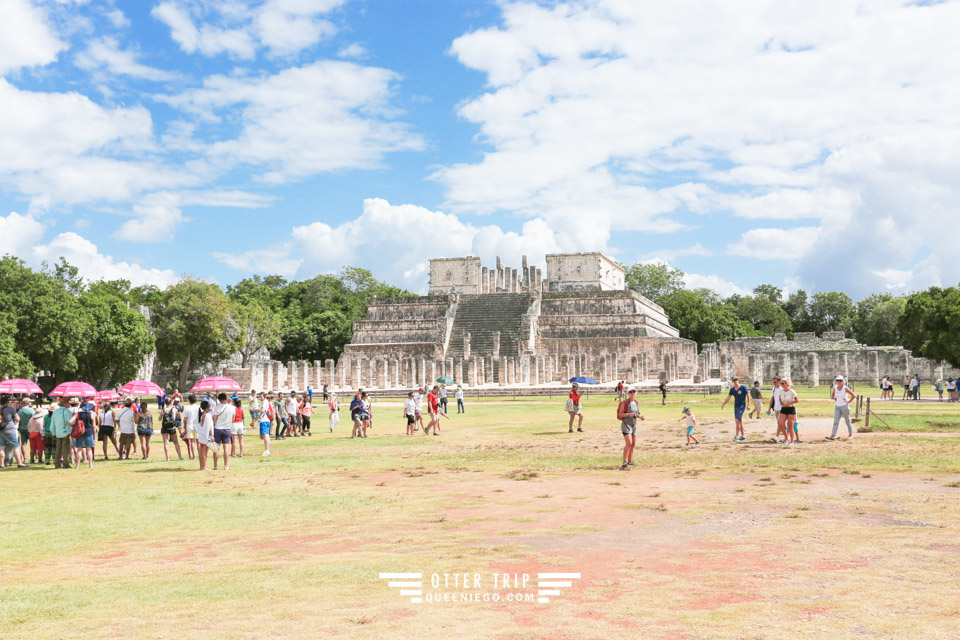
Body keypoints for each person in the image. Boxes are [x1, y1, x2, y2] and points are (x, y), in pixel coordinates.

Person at [617, 386, 643, 469]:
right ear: (628, 393)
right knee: (629, 443)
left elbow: (636, 413)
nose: (632, 393)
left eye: (633, 392)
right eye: (630, 392)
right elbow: (620, 414)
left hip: (633, 424)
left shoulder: (636, 402)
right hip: (626, 424)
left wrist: (640, 417)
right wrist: (628, 414)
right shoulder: (625, 403)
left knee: (633, 444)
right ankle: (624, 462)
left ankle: (630, 461)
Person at [826, 375, 856, 441]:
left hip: (844, 406)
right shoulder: (835, 387)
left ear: (843, 381)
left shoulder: (845, 388)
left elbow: (854, 395)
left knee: (847, 421)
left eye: (840, 380)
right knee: (836, 421)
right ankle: (832, 435)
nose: (839, 382)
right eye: (837, 380)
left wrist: (849, 401)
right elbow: (833, 395)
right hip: (837, 406)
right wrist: (834, 398)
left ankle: (850, 434)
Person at [49, 397, 76, 469]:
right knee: (65, 449)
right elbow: (70, 422)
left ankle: (57, 464)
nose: (69, 403)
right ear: (65, 403)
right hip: (65, 432)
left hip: (57, 433)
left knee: (58, 449)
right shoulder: (67, 411)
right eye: (68, 402)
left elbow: (52, 424)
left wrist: (53, 433)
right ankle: (65, 464)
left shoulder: (55, 412)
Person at [720, 377, 749, 442]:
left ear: (738, 380)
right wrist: (723, 404)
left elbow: (748, 396)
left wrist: (749, 404)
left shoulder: (743, 387)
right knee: (739, 421)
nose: (735, 381)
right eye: (734, 380)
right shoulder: (732, 389)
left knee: (737, 420)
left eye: (736, 380)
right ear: (732, 381)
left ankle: (737, 436)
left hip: (742, 406)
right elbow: (728, 398)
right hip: (736, 406)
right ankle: (743, 436)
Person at [1, 396, 25, 468]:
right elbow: (17, 419)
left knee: (1, 447)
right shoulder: (11, 409)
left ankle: (1, 464)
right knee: (16, 446)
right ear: (7, 402)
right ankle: (19, 463)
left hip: (1, 430)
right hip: (10, 430)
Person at [211, 393, 233, 470]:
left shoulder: (217, 408)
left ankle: (215, 465)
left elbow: (214, 419)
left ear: (219, 400)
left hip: (218, 428)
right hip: (227, 428)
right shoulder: (231, 407)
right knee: (226, 448)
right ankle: (226, 465)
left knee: (216, 448)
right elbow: (233, 419)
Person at [75, 398, 96, 468]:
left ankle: (77, 465)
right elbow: (94, 426)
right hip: (89, 432)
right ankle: (90, 464)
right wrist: (94, 435)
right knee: (89, 449)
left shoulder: (78, 414)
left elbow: (70, 421)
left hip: (80, 432)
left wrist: (73, 426)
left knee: (79, 449)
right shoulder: (91, 414)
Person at [778, 378, 799, 446]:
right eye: (781, 383)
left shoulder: (792, 391)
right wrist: (781, 403)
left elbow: (796, 400)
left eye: (782, 383)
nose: (781, 385)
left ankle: (792, 441)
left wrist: (788, 403)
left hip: (791, 408)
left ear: (787, 384)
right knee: (781, 423)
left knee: (790, 425)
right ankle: (786, 438)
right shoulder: (781, 391)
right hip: (784, 408)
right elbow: (780, 398)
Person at [195, 399, 214, 471]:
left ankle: (202, 466)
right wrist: (212, 435)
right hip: (206, 435)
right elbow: (210, 426)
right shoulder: (208, 415)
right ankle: (204, 466)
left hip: (201, 435)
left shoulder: (201, 414)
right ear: (207, 407)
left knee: (201, 450)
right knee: (204, 451)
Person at [181, 394, 200, 460]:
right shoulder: (199, 407)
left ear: (189, 400)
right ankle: (200, 455)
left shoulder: (187, 408)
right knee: (198, 442)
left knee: (192, 442)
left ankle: (194, 457)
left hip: (190, 426)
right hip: (198, 426)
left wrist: (185, 425)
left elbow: (185, 419)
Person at [18, 398, 35, 462]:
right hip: (30, 429)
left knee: (23, 443)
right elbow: (35, 418)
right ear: (27, 403)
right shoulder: (31, 410)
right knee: (32, 444)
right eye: (30, 402)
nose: (31, 403)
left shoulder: (20, 410)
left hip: (22, 428)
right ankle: (33, 458)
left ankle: (25, 458)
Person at [258, 392, 273, 457]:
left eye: (261, 397)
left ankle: (267, 450)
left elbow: (262, 410)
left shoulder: (264, 402)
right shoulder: (266, 402)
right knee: (266, 435)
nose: (260, 398)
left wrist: (256, 410)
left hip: (264, 420)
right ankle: (267, 450)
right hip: (266, 420)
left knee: (265, 435)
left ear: (264, 397)